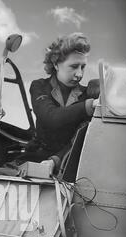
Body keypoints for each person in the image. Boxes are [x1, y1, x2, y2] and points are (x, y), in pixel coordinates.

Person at [28, 32, 100, 171]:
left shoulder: (87, 95)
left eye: (83, 67)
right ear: (56, 64)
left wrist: (55, 161)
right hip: (36, 156)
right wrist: (89, 106)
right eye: (73, 66)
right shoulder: (39, 86)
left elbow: (79, 139)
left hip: (69, 162)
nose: (79, 74)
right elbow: (51, 117)